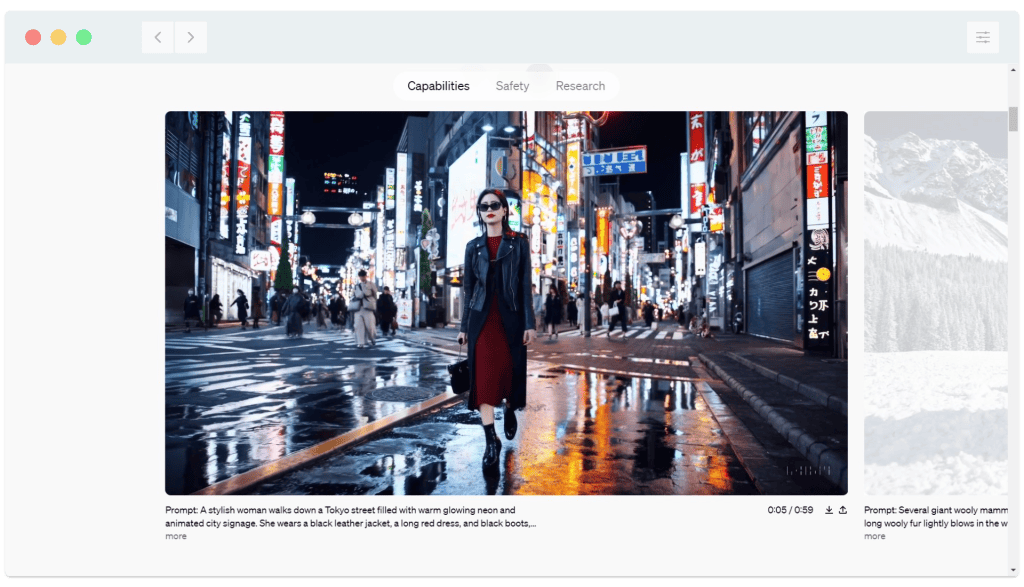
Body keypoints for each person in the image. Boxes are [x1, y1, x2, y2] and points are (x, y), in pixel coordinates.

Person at [456, 188, 536, 470]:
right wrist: (463, 327)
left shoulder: (519, 243)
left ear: (504, 210)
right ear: (480, 213)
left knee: (509, 374)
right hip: (481, 320)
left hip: (510, 317)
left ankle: (510, 408)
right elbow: (469, 291)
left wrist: (529, 323)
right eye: (483, 206)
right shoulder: (472, 247)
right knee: (483, 380)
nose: (488, 210)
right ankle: (491, 440)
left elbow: (525, 287)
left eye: (494, 205)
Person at [352, 270, 379, 348]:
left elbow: (375, 295)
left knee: (370, 326)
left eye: (363, 276)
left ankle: (372, 338)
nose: (362, 278)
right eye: (361, 276)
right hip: (358, 308)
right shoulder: (356, 286)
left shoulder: (371, 284)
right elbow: (353, 295)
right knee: (358, 326)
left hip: (368, 307)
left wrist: (372, 302)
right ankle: (361, 343)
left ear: (366, 276)